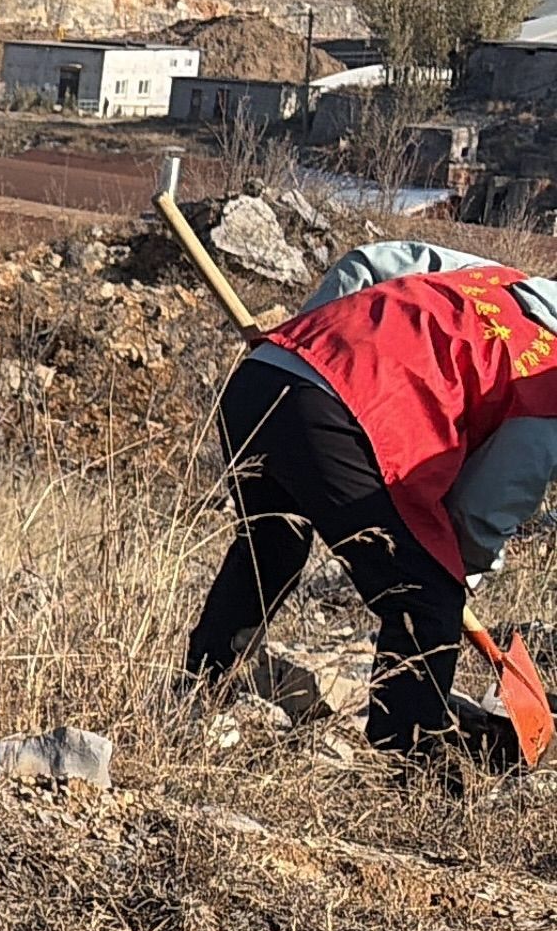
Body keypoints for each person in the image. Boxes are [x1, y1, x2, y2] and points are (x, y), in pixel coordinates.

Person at [188, 239, 557, 779]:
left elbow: (368, 261)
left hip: (264, 375)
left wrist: (312, 345)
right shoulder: (547, 388)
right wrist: (456, 580)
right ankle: (410, 760)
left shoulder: (495, 279)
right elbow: (481, 513)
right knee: (426, 595)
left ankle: (199, 691)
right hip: (334, 416)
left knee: (271, 547)